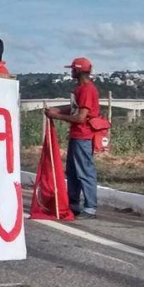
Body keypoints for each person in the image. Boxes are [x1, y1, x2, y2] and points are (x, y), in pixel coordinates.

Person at [45, 57, 100, 219]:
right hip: (78, 135)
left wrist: (57, 116)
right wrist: (58, 110)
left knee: (84, 171)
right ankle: (73, 203)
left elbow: (81, 117)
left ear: (77, 71)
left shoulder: (87, 90)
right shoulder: (80, 89)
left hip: (83, 135)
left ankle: (90, 207)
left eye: (72, 69)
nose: (71, 72)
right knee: (73, 171)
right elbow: (75, 109)